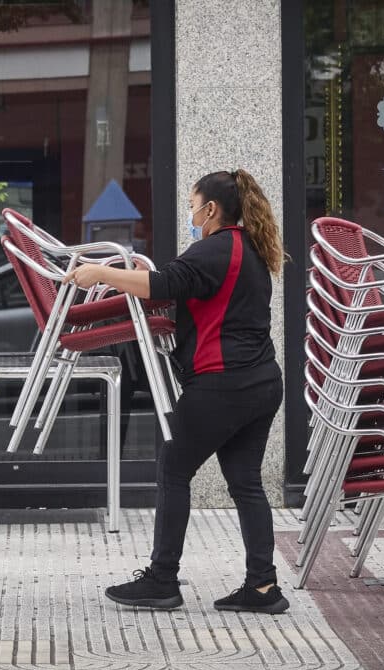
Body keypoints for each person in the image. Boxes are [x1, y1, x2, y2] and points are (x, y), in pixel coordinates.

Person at [63, 169, 288, 614]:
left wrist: (98, 273)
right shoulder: (251, 248)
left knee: (173, 467)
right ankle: (263, 587)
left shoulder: (213, 249)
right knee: (245, 483)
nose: (190, 213)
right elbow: (179, 288)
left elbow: (161, 284)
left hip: (222, 383)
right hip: (262, 381)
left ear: (211, 210)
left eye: (192, 205)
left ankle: (162, 580)